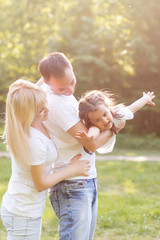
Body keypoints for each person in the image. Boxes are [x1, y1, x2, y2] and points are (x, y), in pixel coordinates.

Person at [38, 52, 123, 240]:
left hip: (84, 179)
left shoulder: (55, 91)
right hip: (72, 185)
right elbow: (90, 145)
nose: (69, 89)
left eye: (72, 81)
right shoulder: (57, 103)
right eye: (62, 88)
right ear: (47, 82)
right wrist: (115, 127)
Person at [0, 79, 91, 240]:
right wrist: (72, 169)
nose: (48, 110)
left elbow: (30, 91)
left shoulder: (30, 123)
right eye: (42, 110)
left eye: (45, 103)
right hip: (23, 213)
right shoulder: (33, 140)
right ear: (28, 113)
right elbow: (40, 183)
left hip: (19, 207)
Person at [76, 90, 155, 154]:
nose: (104, 120)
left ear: (107, 107)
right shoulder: (94, 126)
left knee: (122, 115)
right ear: (91, 121)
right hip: (100, 139)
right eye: (97, 120)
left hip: (113, 128)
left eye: (105, 114)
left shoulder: (118, 113)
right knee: (94, 128)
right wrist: (89, 138)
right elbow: (94, 130)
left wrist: (146, 98)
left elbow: (133, 108)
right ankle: (90, 137)